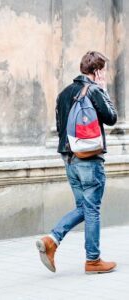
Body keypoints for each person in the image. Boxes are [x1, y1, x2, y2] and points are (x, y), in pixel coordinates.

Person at [36, 51, 118, 274]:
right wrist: (103, 90)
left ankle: (52, 240)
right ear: (98, 71)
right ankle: (93, 260)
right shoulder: (93, 90)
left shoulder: (64, 93)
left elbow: (62, 127)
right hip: (89, 160)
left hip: (69, 158)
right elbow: (111, 118)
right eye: (104, 71)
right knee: (92, 210)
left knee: (84, 207)